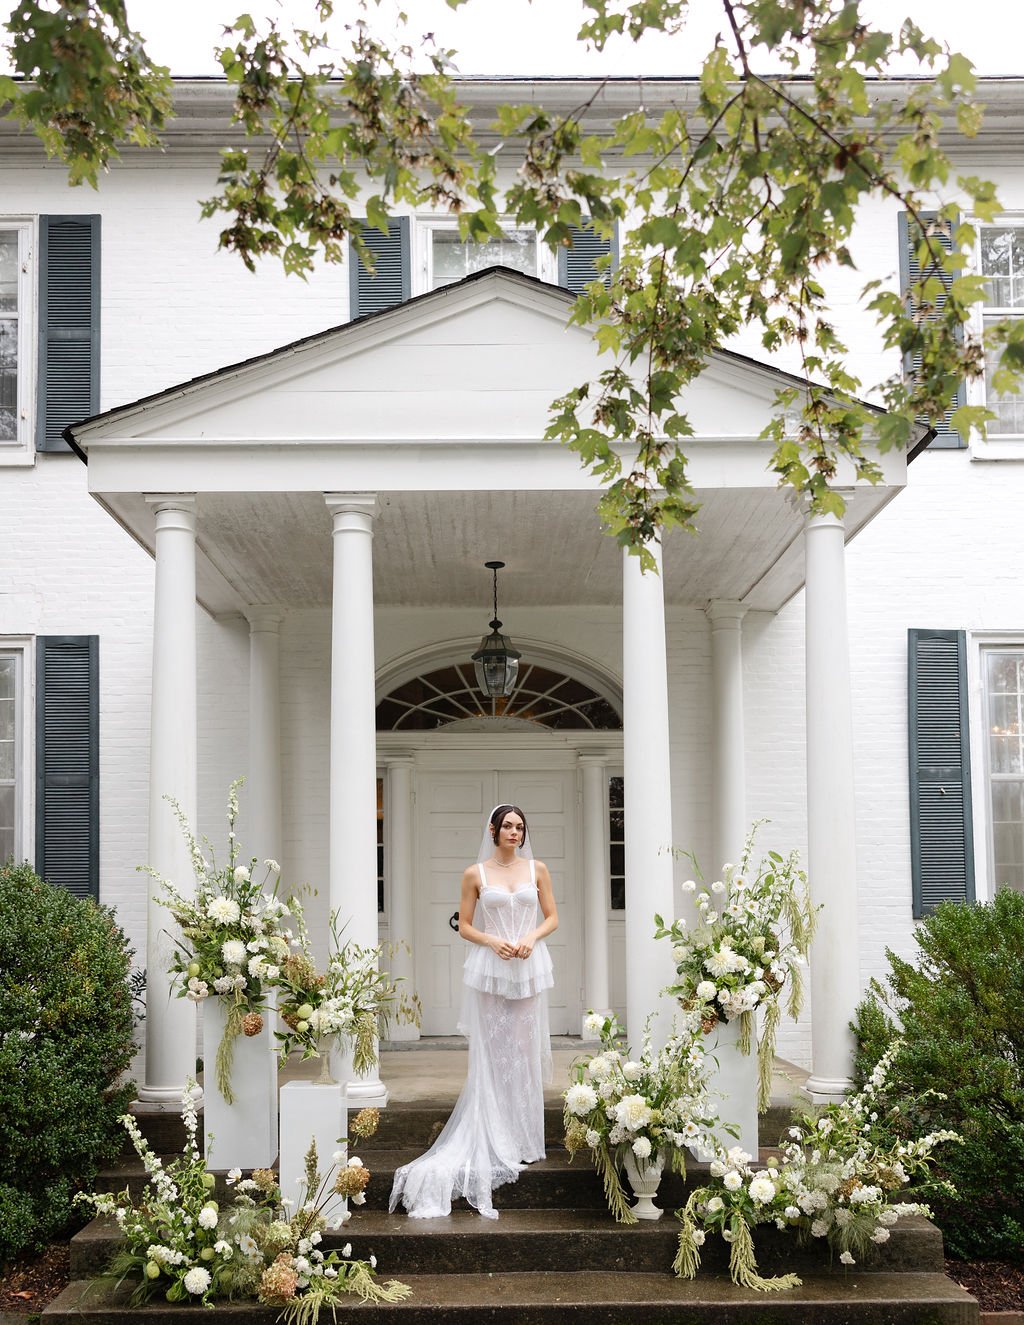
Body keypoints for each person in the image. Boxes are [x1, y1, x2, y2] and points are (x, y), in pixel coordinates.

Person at [388, 803, 558, 1220]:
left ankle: (522, 1139)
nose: (515, 832)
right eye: (508, 826)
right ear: (494, 830)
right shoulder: (475, 874)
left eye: (520, 827)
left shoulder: (537, 869)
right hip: (490, 968)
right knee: (493, 1052)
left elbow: (552, 917)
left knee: (523, 1049)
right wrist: (491, 941)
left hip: (529, 965)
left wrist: (531, 937)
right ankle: (493, 1134)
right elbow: (464, 924)